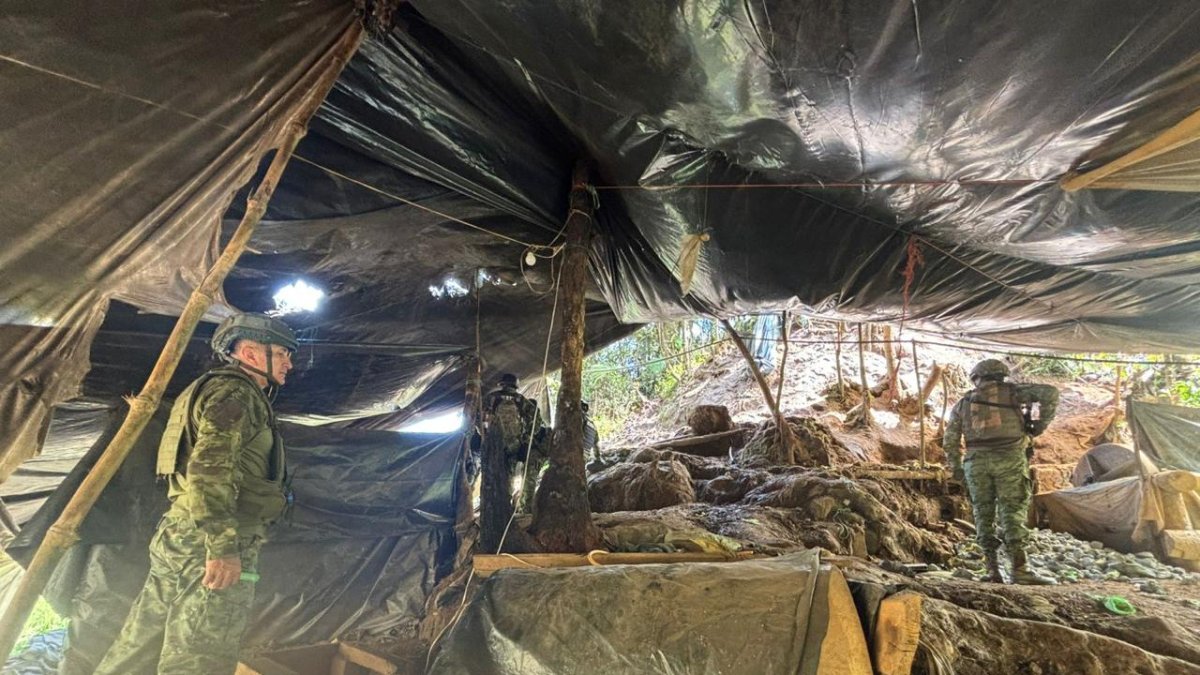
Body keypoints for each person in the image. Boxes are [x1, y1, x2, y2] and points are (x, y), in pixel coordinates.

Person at [96, 313, 297, 675]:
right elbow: (208, 469)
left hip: (180, 533)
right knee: (199, 655)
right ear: (250, 353)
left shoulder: (202, 390)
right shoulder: (236, 393)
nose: (289, 363)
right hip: (210, 541)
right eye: (282, 353)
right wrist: (222, 548)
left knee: (139, 645)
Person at [943, 359, 1059, 585]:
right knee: (1013, 510)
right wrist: (1039, 425)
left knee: (982, 514)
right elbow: (1051, 393)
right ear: (1000, 375)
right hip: (1010, 458)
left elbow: (950, 440)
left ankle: (992, 570)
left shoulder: (964, 402)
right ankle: (1020, 569)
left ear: (977, 378)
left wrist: (957, 469)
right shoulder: (1015, 393)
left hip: (976, 463)